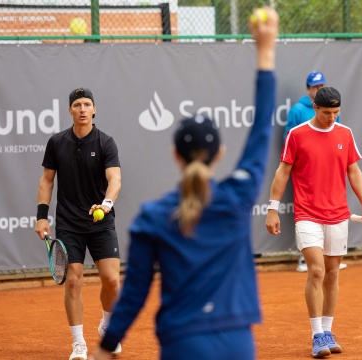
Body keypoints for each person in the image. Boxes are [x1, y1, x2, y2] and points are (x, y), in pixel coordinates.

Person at [90, 7, 278, 360]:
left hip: (182, 344)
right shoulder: (237, 196)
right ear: (219, 153)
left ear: (175, 155)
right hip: (237, 343)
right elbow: (261, 131)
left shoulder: (152, 217)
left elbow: (135, 292)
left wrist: (106, 345)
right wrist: (265, 53)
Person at [265, 86, 362, 358]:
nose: (331, 117)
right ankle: (316, 336)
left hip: (337, 216)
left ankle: (327, 330)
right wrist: (272, 209)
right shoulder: (297, 135)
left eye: (336, 112)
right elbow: (282, 172)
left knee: (333, 274)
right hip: (307, 215)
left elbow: (354, 171)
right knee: (316, 271)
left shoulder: (345, 134)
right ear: (315, 108)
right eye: (326, 113)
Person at [34, 87, 122, 360]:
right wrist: (40, 216)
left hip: (101, 222)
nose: (82, 109)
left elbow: (115, 180)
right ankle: (78, 344)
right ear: (70, 111)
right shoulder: (57, 142)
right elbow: (47, 180)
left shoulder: (106, 142)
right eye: (77, 105)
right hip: (69, 224)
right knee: (73, 281)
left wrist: (105, 206)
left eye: (87, 104)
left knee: (112, 281)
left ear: (94, 110)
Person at [285, 71, 344, 273]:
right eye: (314, 86)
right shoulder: (297, 110)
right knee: (305, 215)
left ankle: (330, 258)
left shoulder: (333, 111)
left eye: (321, 85)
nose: (318, 89)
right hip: (305, 173)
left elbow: (335, 135)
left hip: (328, 175)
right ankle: (304, 259)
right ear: (308, 89)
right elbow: (289, 141)